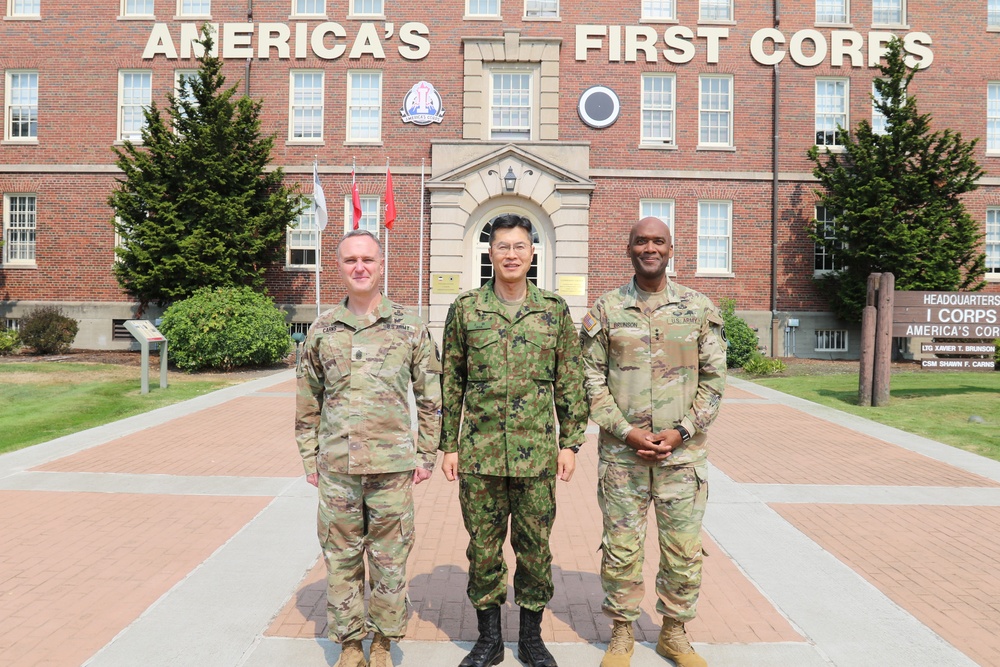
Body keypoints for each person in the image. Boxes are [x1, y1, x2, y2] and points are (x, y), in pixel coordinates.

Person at [440, 213, 589, 667]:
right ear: (490, 253)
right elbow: (451, 380)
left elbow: (570, 380)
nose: (511, 254)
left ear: (532, 253)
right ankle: (488, 641)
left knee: (534, 549)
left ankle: (530, 638)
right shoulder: (466, 310)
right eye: (502, 246)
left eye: (519, 246)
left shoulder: (553, 310)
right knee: (483, 550)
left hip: (538, 456)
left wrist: (571, 442)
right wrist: (448, 445)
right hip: (480, 456)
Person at [580, 217, 727, 667]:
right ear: (629, 249)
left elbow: (714, 380)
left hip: (682, 458)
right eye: (641, 241)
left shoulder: (698, 309)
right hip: (622, 456)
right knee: (621, 546)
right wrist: (627, 431)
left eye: (658, 241)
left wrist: (681, 431)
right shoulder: (606, 310)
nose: (650, 248)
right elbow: (589, 380)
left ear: (670, 248)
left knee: (683, 548)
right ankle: (622, 632)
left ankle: (674, 634)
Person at [296, 229, 442, 667]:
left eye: (368, 260)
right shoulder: (322, 329)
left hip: (393, 468)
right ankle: (347, 645)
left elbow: (431, 397)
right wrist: (309, 457)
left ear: (382, 266)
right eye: (350, 260)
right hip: (337, 468)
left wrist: (426, 454)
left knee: (390, 560)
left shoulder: (410, 327)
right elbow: (308, 402)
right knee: (340, 559)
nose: (359, 267)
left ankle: (382, 643)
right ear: (338, 267)